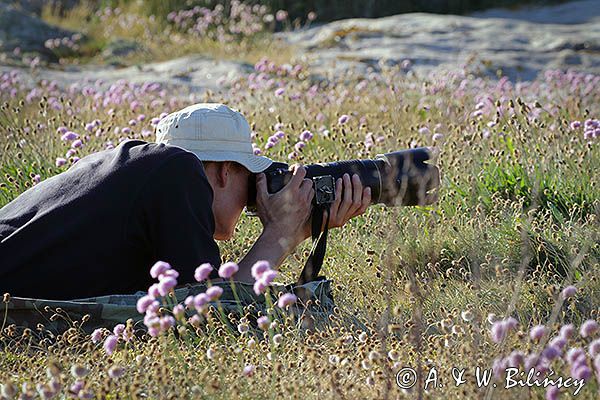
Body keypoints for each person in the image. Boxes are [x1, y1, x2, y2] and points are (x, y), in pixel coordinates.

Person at [0, 103, 371, 300]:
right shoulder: (180, 172)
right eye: (249, 181)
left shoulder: (127, 167)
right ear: (226, 172)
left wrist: (296, 231)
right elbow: (211, 310)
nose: (252, 199)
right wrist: (279, 231)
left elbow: (191, 299)